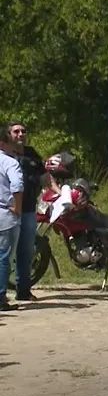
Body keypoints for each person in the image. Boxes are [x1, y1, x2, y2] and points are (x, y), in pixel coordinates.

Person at [6, 121, 60, 302]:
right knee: (4, 253)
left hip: (28, 210)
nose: (20, 134)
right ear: (8, 135)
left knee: (26, 252)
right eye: (16, 131)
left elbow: (46, 178)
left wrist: (61, 195)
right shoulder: (4, 155)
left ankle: (23, 291)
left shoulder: (31, 154)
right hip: (8, 211)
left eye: (23, 131)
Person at [0, 129, 24, 311]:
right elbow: (16, 186)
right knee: (3, 257)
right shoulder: (10, 163)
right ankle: (1, 297)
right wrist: (17, 208)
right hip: (5, 215)